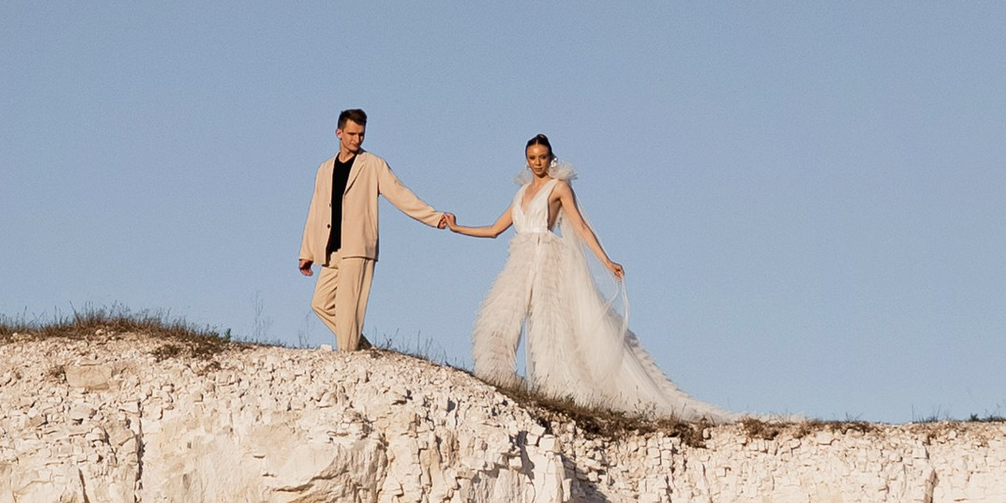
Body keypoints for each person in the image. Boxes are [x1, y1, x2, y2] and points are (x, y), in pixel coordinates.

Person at [448, 134, 714, 418]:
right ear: (526, 160)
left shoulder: (559, 188)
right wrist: (456, 227)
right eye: (532, 158)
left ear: (551, 158)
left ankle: (559, 388)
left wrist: (607, 261)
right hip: (520, 261)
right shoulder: (520, 193)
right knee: (497, 317)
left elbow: (581, 228)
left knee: (549, 328)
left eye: (543, 157)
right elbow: (493, 229)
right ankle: (498, 377)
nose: (538, 162)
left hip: (547, 259)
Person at [298, 107, 454, 353]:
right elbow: (316, 211)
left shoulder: (373, 165)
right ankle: (364, 350)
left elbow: (401, 195)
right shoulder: (325, 169)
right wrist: (307, 251)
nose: (356, 139)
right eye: (351, 134)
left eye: (361, 134)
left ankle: (347, 361)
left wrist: (434, 218)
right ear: (338, 133)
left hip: (358, 246)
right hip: (331, 249)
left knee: (349, 309)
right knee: (321, 303)